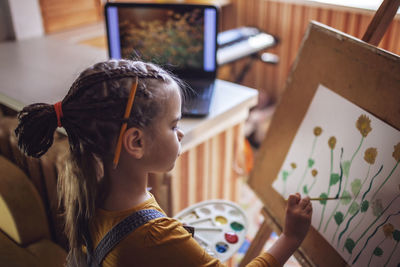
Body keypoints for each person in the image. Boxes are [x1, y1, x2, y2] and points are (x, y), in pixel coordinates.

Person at [15, 59, 312, 267]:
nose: (180, 132)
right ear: (136, 142)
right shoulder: (154, 236)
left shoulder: (92, 193)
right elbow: (149, 242)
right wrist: (290, 237)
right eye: (173, 125)